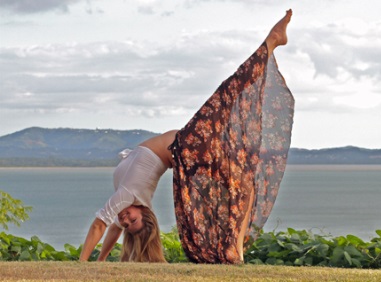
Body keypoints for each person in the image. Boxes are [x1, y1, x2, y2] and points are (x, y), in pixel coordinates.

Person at [79, 8, 294, 264]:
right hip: (186, 153)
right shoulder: (130, 197)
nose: (125, 219)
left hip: (186, 150)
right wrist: (89, 266)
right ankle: (236, 252)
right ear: (144, 213)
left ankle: (235, 252)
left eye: (128, 221)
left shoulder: (125, 198)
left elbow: (105, 227)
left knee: (240, 174)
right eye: (130, 221)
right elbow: (104, 226)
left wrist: (94, 262)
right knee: (226, 112)